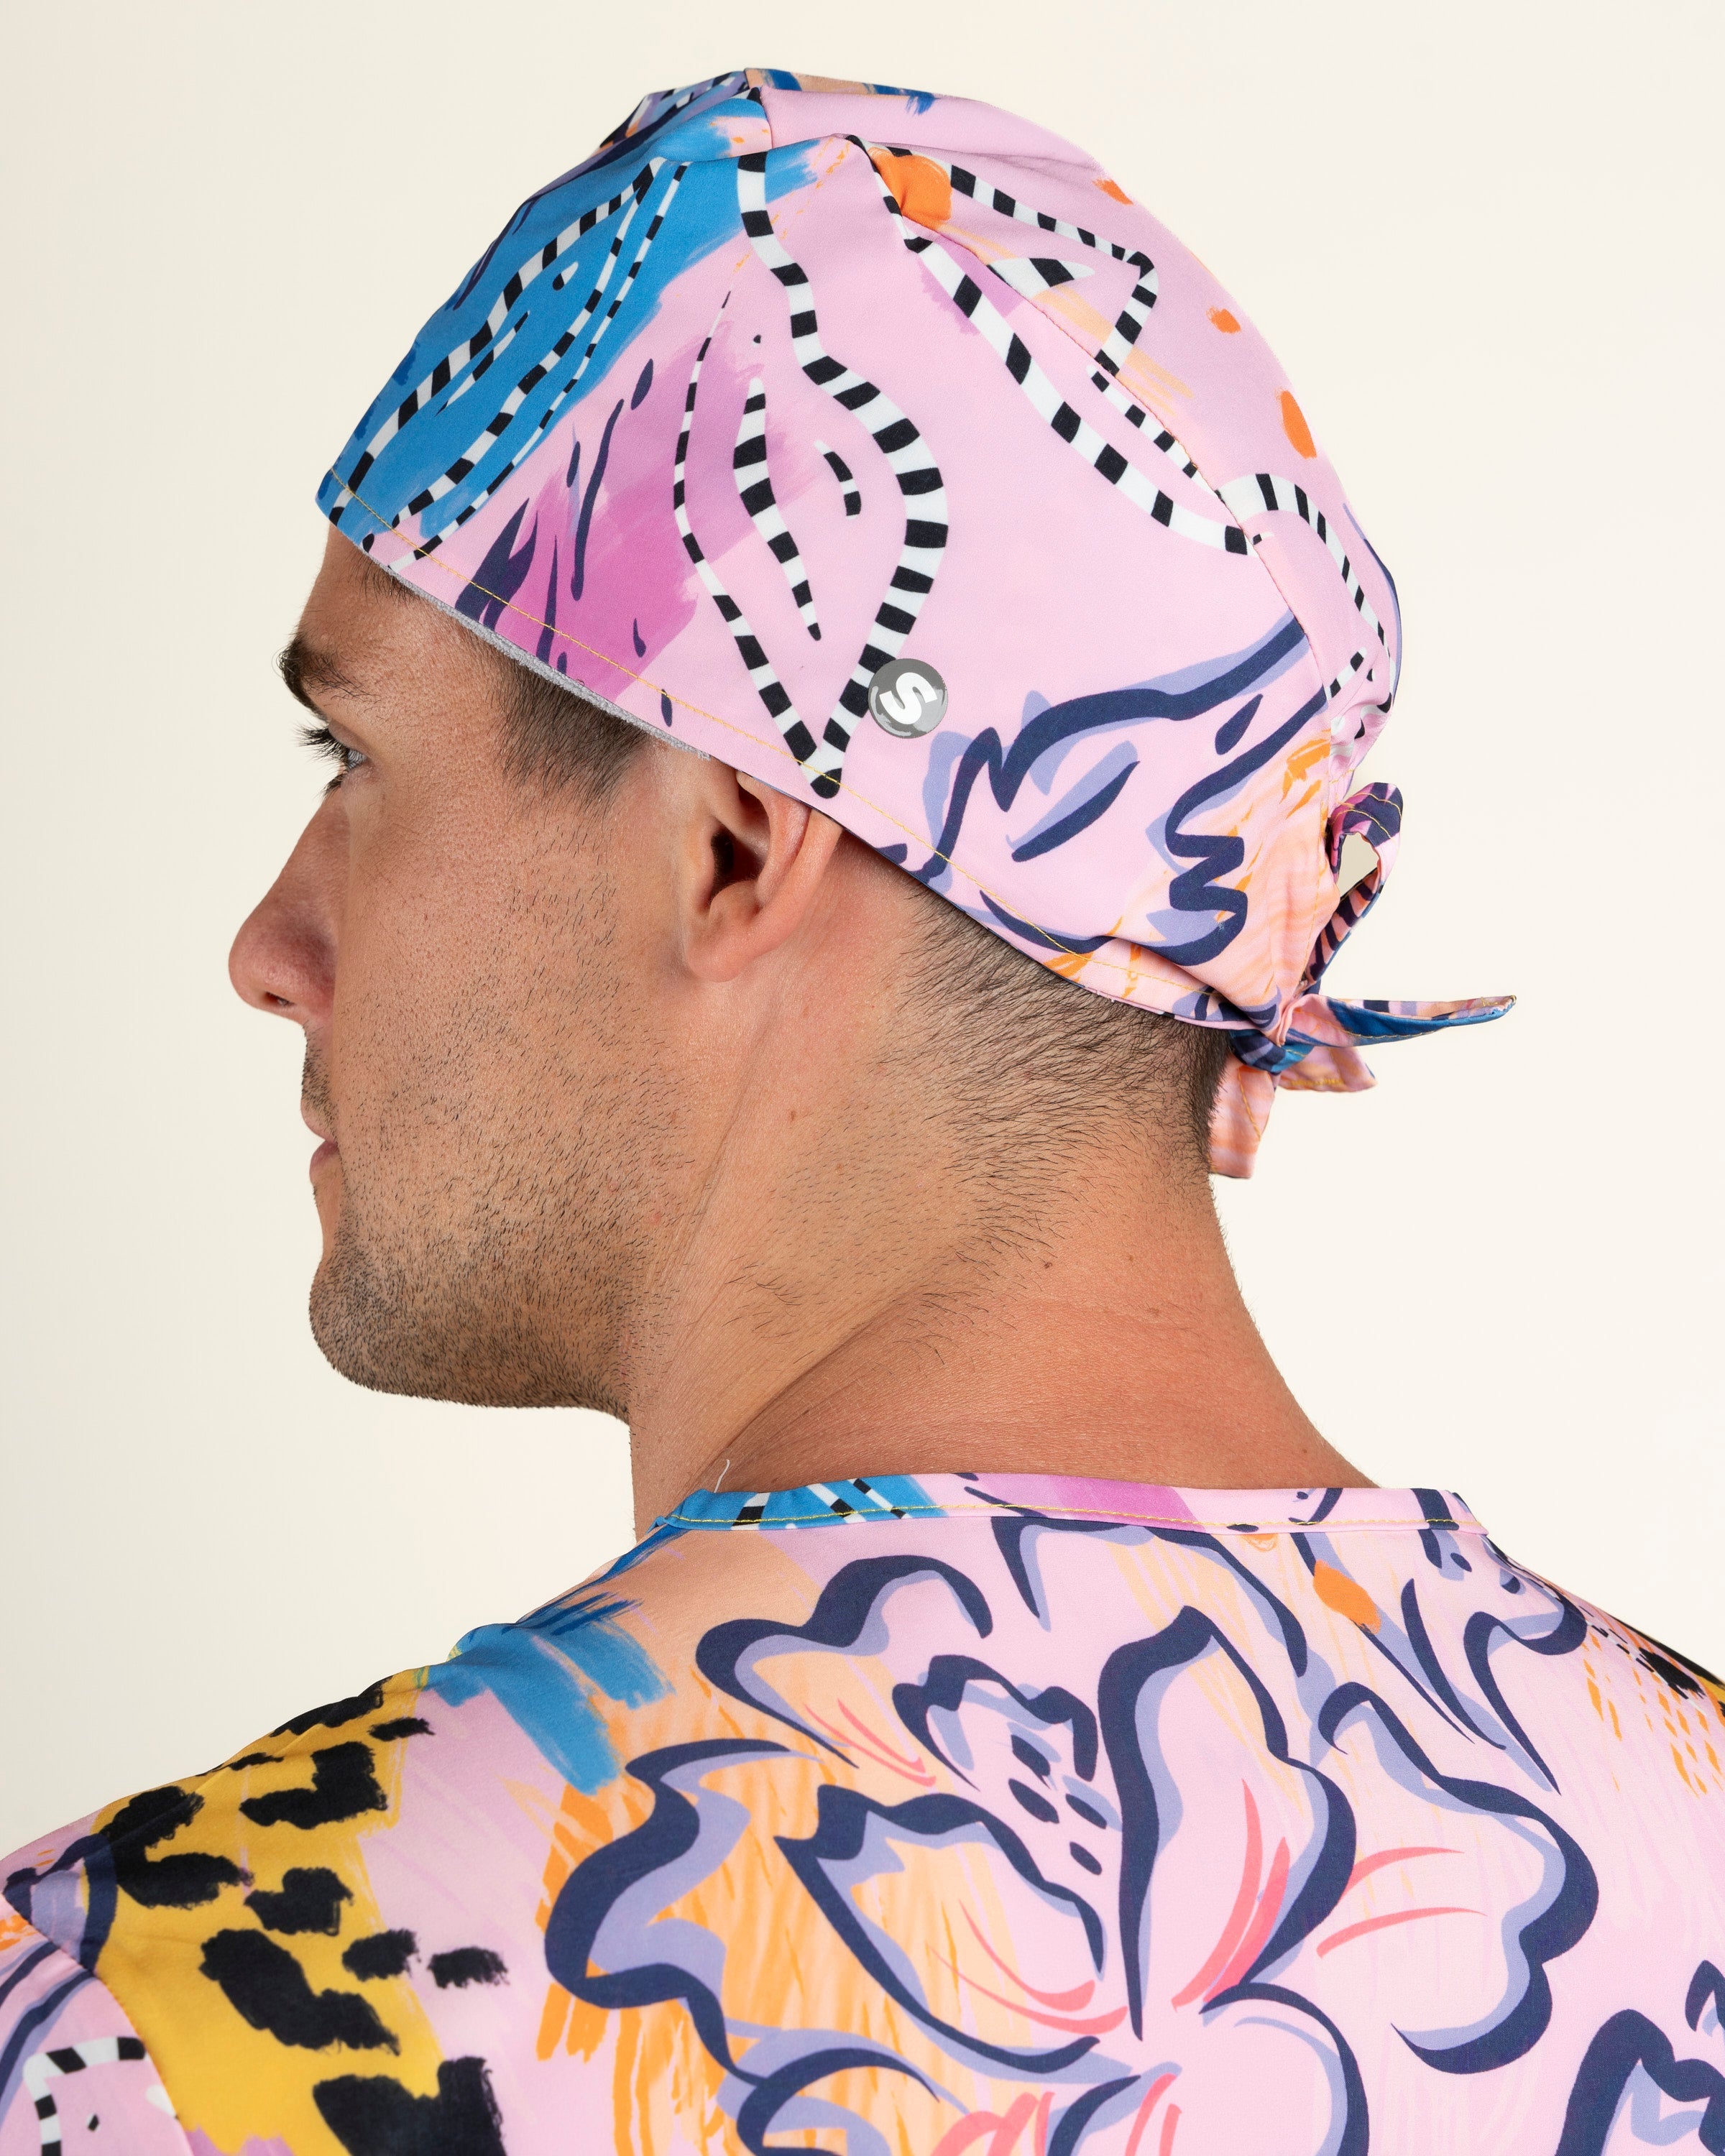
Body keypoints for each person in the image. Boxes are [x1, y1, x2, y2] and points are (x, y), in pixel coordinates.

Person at [3, 66, 1719, 2156]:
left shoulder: (173, 2022)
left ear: (733, 846)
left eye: (350, 761)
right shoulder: (1687, 1844)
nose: (268, 947)